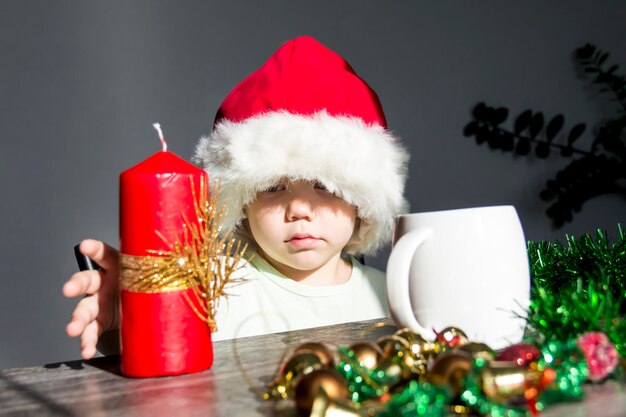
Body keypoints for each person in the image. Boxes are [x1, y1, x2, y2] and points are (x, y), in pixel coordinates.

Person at [63, 36, 409, 359]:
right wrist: (131, 312)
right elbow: (155, 345)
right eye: (272, 188)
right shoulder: (210, 288)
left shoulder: (394, 296)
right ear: (241, 202)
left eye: (326, 187)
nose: (299, 209)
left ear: (361, 200)